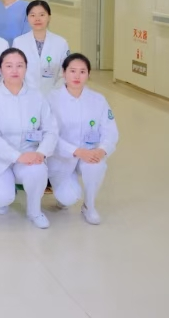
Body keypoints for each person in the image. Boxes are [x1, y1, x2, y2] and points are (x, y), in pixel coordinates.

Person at [0, 48, 59, 229]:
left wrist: (41, 153)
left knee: (38, 171)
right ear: (0, 69)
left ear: (26, 68)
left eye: (19, 66)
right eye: (9, 66)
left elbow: (51, 130)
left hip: (30, 154)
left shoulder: (37, 96)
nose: (14, 70)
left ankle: (34, 210)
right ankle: (5, 194)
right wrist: (17, 156)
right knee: (1, 199)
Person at [47, 54, 118, 225]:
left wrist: (102, 150)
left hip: (89, 153)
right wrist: (76, 151)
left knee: (97, 165)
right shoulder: (51, 99)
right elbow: (49, 135)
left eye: (82, 71)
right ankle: (63, 195)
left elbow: (110, 130)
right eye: (72, 71)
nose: (77, 76)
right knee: (69, 197)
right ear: (63, 72)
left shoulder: (98, 100)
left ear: (88, 74)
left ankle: (89, 206)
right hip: (61, 157)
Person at [13, 0, 69, 95]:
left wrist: (55, 93)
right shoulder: (18, 42)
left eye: (42, 15)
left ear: (49, 17)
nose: (37, 19)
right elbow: (15, 72)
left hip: (53, 95)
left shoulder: (61, 43)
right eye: (32, 15)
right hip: (25, 96)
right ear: (27, 18)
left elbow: (64, 73)